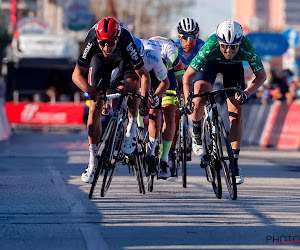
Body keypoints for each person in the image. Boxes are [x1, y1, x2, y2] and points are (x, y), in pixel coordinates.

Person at [182, 20, 266, 184]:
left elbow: (261, 76)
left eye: (233, 47)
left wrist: (246, 93)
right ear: (218, 42)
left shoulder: (246, 46)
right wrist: (187, 99)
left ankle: (234, 163)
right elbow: (187, 77)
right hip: (211, 65)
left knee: (236, 113)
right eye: (224, 46)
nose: (228, 50)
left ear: (239, 43)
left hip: (234, 70)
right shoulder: (211, 45)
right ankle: (197, 132)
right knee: (200, 93)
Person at [72, 17, 151, 183]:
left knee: (132, 85)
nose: (106, 47)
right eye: (103, 43)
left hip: (124, 59)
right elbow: (76, 75)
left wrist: (144, 100)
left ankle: (130, 128)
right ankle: (92, 161)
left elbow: (144, 75)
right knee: (94, 107)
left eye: (110, 43)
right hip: (99, 61)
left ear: (117, 38)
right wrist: (91, 91)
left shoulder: (126, 39)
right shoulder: (92, 40)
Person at [134, 36, 184, 179]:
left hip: (166, 77)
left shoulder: (173, 55)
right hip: (147, 66)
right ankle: (147, 147)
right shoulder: (146, 52)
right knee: (153, 112)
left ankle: (164, 158)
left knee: (169, 112)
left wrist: (183, 96)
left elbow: (181, 81)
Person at [170, 18, 205, 166]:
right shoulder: (173, 46)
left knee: (200, 104)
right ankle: (170, 151)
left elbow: (206, 72)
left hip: (194, 80)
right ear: (179, 37)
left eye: (193, 36)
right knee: (174, 113)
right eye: (185, 37)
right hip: (177, 81)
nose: (189, 41)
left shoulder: (202, 46)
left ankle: (205, 145)